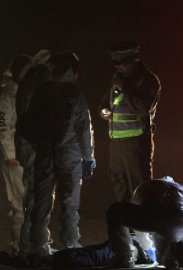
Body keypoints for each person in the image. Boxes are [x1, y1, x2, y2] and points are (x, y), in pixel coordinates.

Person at [17, 52, 95, 256]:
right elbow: (83, 129)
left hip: (44, 154)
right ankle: (70, 244)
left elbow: (27, 122)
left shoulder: (42, 91)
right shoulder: (75, 93)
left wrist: (40, 144)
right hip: (69, 156)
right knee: (69, 202)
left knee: (41, 201)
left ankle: (38, 246)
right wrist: (88, 158)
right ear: (73, 71)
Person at [99, 41, 161, 261]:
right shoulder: (117, 79)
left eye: (122, 64)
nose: (118, 68)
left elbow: (143, 108)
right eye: (115, 64)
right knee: (120, 191)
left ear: (134, 59)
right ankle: (128, 248)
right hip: (116, 143)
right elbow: (106, 101)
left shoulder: (149, 80)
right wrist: (104, 110)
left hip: (136, 145)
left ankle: (149, 247)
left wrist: (125, 87)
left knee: (140, 194)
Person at [106, 176, 183, 269]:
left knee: (114, 211)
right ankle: (182, 259)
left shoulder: (146, 186)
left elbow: (139, 227)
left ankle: (124, 259)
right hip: (177, 224)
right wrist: (178, 241)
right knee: (161, 259)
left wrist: (147, 246)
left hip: (153, 218)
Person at [15, 49, 53, 256]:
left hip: (27, 143)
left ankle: (29, 244)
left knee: (31, 195)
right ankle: (35, 246)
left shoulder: (27, 81)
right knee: (38, 195)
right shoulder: (41, 80)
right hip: (35, 145)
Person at [0, 54, 33, 255]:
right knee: (19, 202)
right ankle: (20, 245)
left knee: (27, 200)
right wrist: (10, 153)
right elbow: (3, 127)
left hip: (24, 154)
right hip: (13, 158)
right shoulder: (6, 95)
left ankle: (29, 243)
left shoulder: (22, 92)